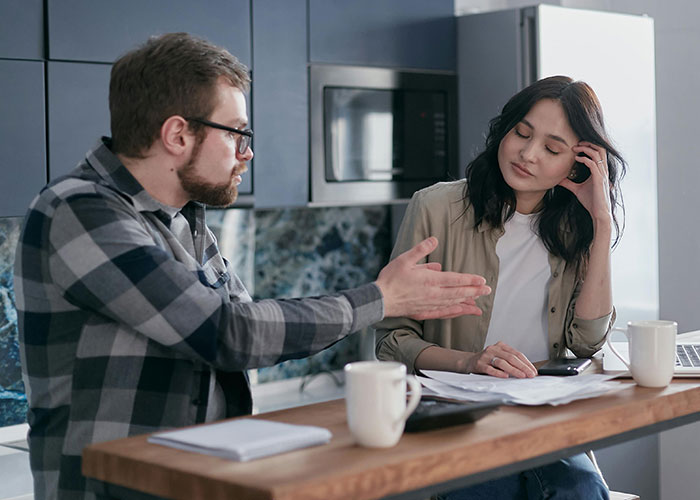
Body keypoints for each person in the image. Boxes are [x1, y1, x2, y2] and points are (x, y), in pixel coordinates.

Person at [13, 33, 492, 500]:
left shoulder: (186, 220)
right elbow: (225, 332)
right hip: (112, 488)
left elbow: (250, 332)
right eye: (238, 133)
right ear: (178, 134)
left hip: (194, 477)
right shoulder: (79, 211)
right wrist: (381, 299)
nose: (248, 153)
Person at [375, 75, 626, 499]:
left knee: (582, 491)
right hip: (461, 416)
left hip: (545, 416)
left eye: (551, 148)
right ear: (504, 131)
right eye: (521, 133)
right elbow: (392, 340)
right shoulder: (436, 208)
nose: (527, 154)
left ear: (578, 164)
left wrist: (601, 224)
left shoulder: (575, 226)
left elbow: (585, 343)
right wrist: (471, 362)